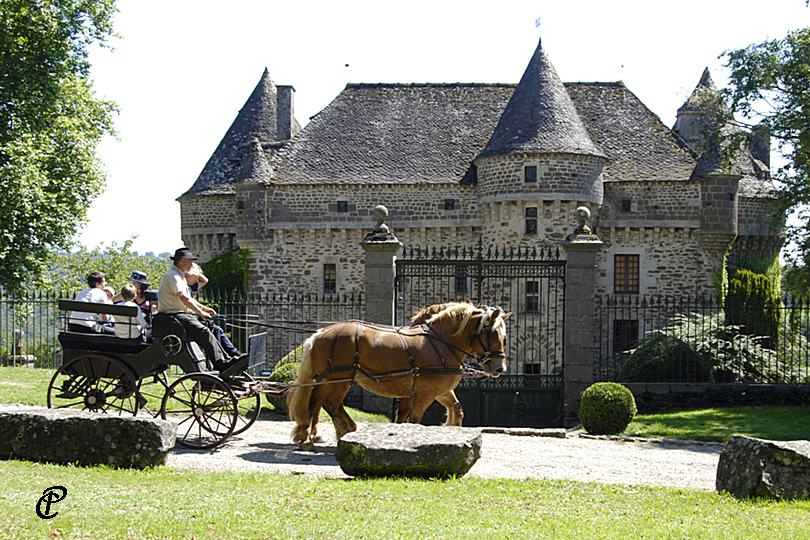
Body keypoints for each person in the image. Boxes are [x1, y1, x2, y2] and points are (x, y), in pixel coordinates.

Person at [156, 247, 242, 370]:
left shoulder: (179, 276)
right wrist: (201, 312)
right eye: (190, 261)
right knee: (204, 332)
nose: (192, 264)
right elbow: (184, 297)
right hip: (173, 317)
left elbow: (189, 299)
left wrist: (204, 309)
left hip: (181, 316)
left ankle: (232, 355)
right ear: (181, 261)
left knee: (212, 328)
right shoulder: (173, 276)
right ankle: (221, 363)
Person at [184, 262, 242, 357]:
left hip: (191, 318)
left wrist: (205, 309)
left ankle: (234, 353)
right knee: (210, 331)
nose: (197, 280)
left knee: (217, 330)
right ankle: (223, 356)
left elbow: (205, 280)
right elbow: (187, 302)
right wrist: (202, 312)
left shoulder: (189, 287)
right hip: (187, 320)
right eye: (195, 277)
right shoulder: (181, 288)